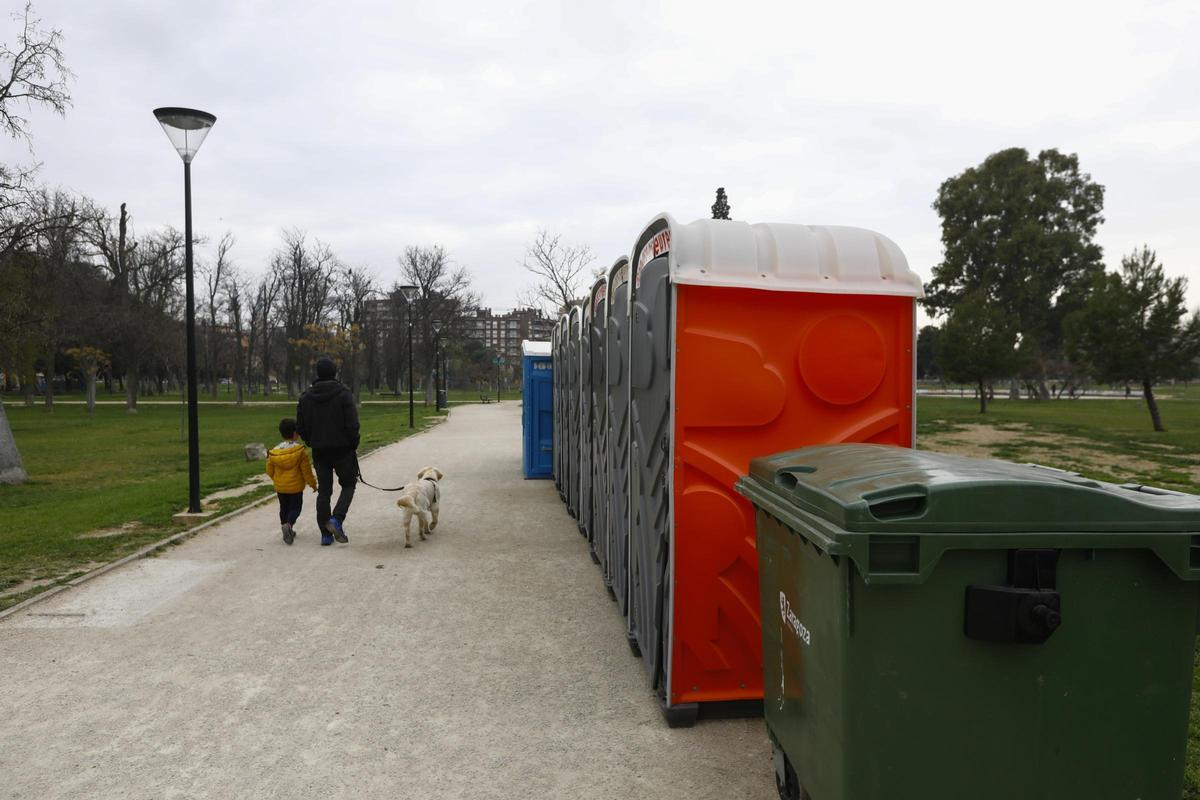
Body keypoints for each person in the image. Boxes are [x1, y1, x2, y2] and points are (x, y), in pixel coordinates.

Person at [296, 357, 360, 546]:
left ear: (317, 373)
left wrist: (311, 440)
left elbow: (301, 426)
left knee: (324, 491)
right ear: (334, 373)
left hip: (320, 449)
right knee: (348, 484)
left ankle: (325, 534)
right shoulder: (344, 394)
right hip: (343, 449)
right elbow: (352, 424)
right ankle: (336, 519)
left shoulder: (306, 397)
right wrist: (353, 443)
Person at [265, 417, 317, 545]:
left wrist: (277, 480)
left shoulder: (274, 452)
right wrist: (313, 484)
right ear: (295, 433)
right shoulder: (300, 451)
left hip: (281, 487)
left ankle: (286, 527)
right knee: (295, 508)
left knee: (284, 508)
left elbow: (269, 470)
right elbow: (306, 471)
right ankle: (289, 525)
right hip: (295, 487)